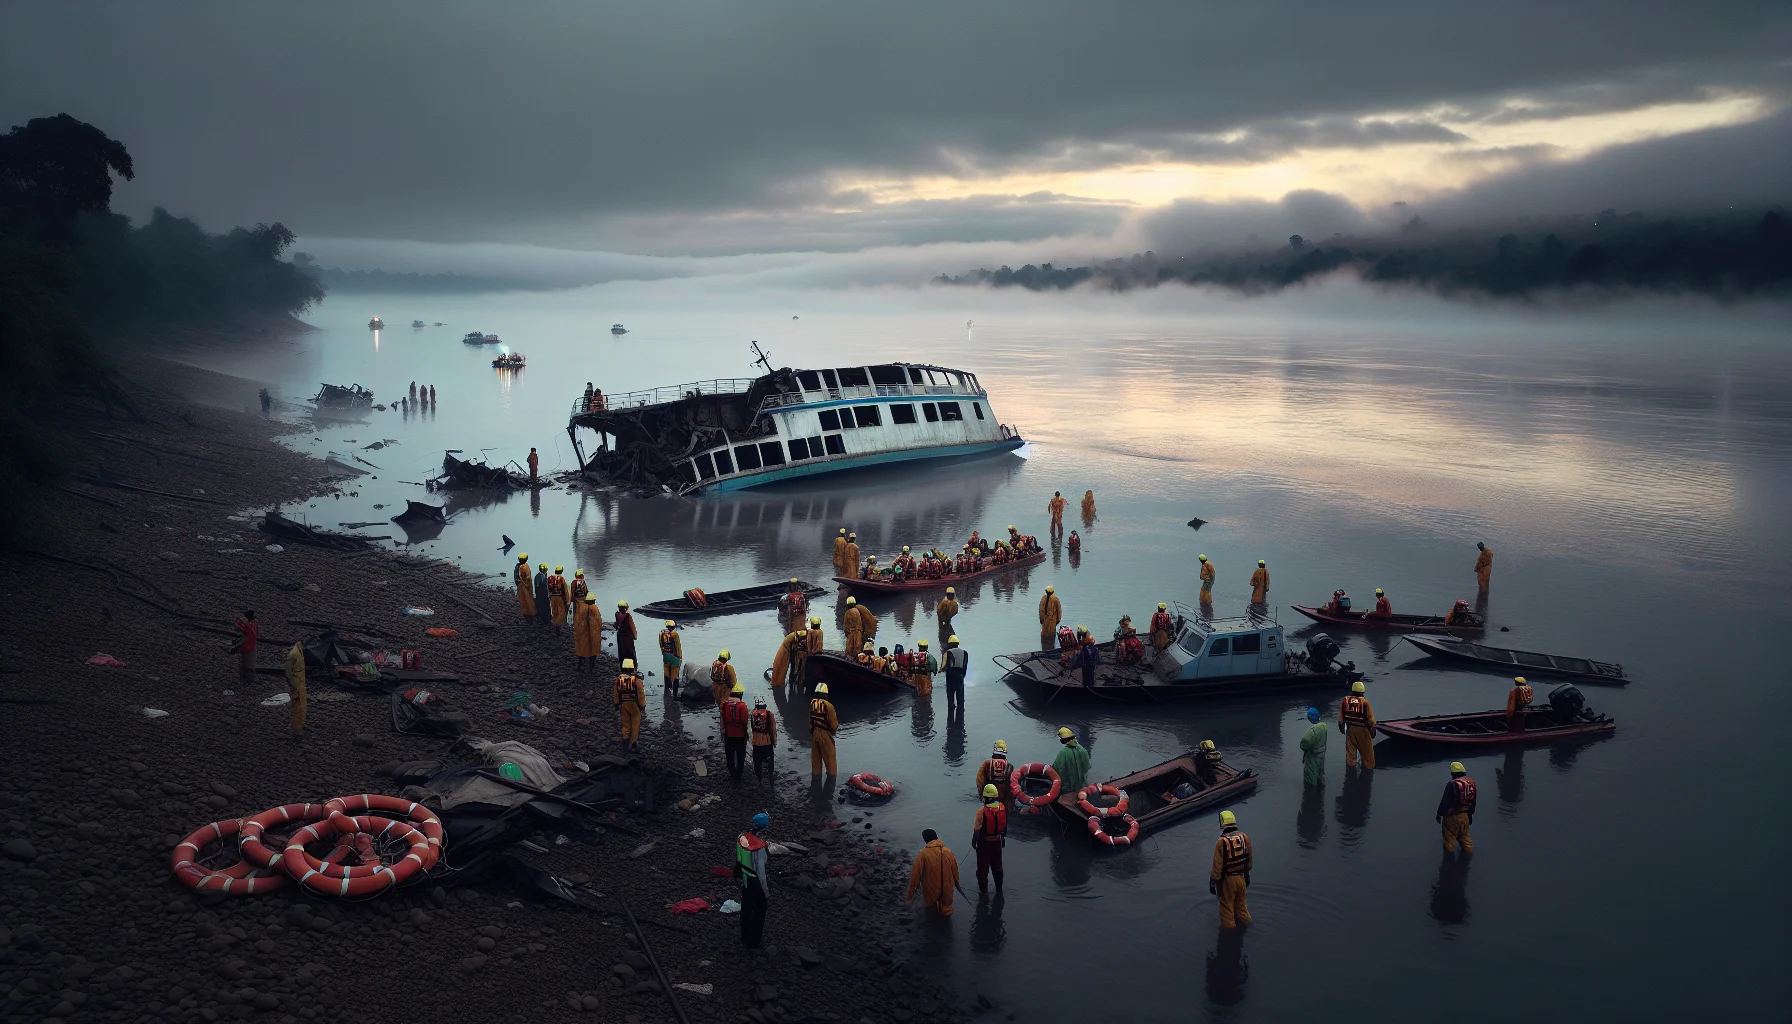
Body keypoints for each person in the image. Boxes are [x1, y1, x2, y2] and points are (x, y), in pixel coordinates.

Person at [1209, 810, 1252, 930]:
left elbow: (1217, 867)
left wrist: (1212, 883)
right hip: (1241, 877)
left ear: (1222, 823)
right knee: (1241, 906)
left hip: (1227, 880)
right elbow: (1249, 861)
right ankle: (1247, 926)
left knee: (1226, 908)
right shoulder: (1244, 837)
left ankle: (1230, 935)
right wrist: (1247, 877)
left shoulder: (1221, 842)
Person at [735, 812, 772, 947]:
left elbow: (738, 861)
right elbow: (761, 871)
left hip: (746, 879)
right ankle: (754, 942)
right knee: (759, 911)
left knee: (746, 908)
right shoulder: (760, 847)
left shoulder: (741, 838)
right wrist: (766, 891)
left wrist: (737, 874)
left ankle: (744, 936)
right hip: (757, 882)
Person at [906, 828, 960, 917]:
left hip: (931, 889)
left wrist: (910, 895)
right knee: (947, 911)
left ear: (925, 840)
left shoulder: (923, 854)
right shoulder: (948, 851)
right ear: (937, 837)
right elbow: (955, 870)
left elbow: (915, 876)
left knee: (930, 911)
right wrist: (957, 884)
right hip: (947, 889)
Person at [972, 784, 1007, 893]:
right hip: (997, 843)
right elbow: (1004, 827)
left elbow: (977, 831)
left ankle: (983, 894)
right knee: (998, 869)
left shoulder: (981, 811)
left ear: (985, 798)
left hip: (984, 845)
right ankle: (999, 889)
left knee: (982, 871)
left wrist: (974, 843)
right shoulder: (1002, 807)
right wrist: (1003, 839)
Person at [1438, 761, 1477, 855]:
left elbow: (1445, 801)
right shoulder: (1470, 783)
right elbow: (1473, 802)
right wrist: (1470, 815)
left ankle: (1449, 863)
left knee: (1448, 842)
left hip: (1452, 817)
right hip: (1465, 816)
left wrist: (1439, 814)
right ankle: (1468, 856)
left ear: (1453, 773)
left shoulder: (1452, 784)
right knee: (1465, 839)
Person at [1340, 681, 1377, 769]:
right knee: (1367, 754)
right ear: (1362, 691)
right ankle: (1367, 773)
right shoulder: (1365, 702)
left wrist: (1342, 729)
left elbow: (1341, 718)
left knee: (1350, 753)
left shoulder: (1346, 700)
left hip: (1350, 729)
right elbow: (1371, 720)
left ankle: (1350, 772)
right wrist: (1373, 731)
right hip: (1363, 730)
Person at [722, 683, 751, 781]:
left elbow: (723, 721)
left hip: (729, 735)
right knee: (740, 756)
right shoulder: (743, 706)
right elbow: (745, 721)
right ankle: (739, 775)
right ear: (740, 694)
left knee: (729, 756)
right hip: (740, 736)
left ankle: (732, 774)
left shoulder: (725, 705)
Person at [614, 659, 646, 749]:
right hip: (635, 704)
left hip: (624, 704)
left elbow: (616, 693)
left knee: (625, 723)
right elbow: (640, 693)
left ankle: (625, 740)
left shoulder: (619, 679)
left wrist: (616, 703)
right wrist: (642, 705)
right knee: (635, 723)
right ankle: (633, 742)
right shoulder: (636, 680)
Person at [809, 683, 838, 777]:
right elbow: (833, 723)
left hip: (815, 733)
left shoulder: (812, 703)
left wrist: (812, 731)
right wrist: (832, 732)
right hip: (825, 734)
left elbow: (810, 720)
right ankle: (831, 780)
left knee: (816, 759)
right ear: (825, 694)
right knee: (830, 760)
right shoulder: (828, 706)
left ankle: (816, 777)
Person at [1051, 726, 1091, 793]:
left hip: (1067, 788)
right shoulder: (1082, 749)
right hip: (1081, 784)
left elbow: (1057, 769)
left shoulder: (1063, 753)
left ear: (1062, 740)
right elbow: (1086, 767)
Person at [750, 697, 777, 782]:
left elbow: (752, 729)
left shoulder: (752, 714)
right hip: (767, 743)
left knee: (757, 763)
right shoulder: (769, 714)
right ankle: (771, 778)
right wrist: (774, 741)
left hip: (756, 743)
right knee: (770, 762)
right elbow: (773, 729)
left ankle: (759, 780)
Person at [1298, 707, 1327, 786]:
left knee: (1311, 775)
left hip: (1313, 755)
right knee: (1320, 773)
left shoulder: (1313, 730)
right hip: (1322, 754)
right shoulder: (1324, 727)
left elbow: (1304, 742)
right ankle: (1321, 789)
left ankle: (1311, 793)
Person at [284, 639, 307, 739]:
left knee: (302, 705)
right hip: (296, 683)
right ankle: (297, 729)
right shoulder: (293, 654)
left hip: (301, 682)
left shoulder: (300, 651)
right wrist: (293, 688)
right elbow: (288, 672)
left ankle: (300, 724)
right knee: (297, 707)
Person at [574, 594, 604, 670]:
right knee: (593, 648)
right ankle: (591, 667)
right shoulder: (594, 608)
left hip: (582, 633)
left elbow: (577, 620)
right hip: (593, 634)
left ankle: (580, 665)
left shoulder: (581, 607)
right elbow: (598, 621)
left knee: (582, 648)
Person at [942, 635, 970, 714]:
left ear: (949, 644)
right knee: (960, 695)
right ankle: (960, 715)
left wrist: (942, 670)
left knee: (950, 694)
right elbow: (965, 665)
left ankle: (951, 711)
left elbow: (948, 665)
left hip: (951, 676)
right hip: (960, 675)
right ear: (958, 643)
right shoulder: (965, 653)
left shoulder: (948, 652)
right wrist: (962, 676)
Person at [232, 610, 258, 685]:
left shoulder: (248, 626)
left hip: (247, 646)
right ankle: (247, 679)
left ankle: (245, 679)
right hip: (250, 644)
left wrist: (237, 648)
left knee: (246, 662)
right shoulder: (254, 623)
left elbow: (245, 641)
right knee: (249, 662)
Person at [657, 620, 682, 686]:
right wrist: (679, 657)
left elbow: (661, 644)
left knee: (667, 674)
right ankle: (674, 693)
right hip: (674, 657)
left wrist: (664, 653)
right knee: (675, 676)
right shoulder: (675, 634)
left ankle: (667, 690)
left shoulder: (662, 633)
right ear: (673, 627)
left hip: (666, 656)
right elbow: (678, 646)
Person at [1038, 585, 1062, 650]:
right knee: (1051, 638)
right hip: (1052, 622)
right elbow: (1059, 612)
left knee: (1044, 639)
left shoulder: (1043, 598)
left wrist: (1042, 620)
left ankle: (1045, 652)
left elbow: (1041, 611)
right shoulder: (1056, 599)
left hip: (1045, 623)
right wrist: (1056, 621)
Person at [614, 600, 637, 666]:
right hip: (628, 637)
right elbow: (632, 626)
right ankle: (632, 666)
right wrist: (635, 636)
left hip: (621, 635)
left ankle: (623, 666)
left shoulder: (617, 614)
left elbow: (616, 625)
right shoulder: (627, 616)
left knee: (621, 652)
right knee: (630, 652)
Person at [513, 552, 535, 619]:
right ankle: (530, 612)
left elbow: (516, 577)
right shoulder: (525, 567)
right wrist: (528, 585)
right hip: (525, 585)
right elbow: (528, 578)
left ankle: (525, 611)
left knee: (522, 598)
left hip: (520, 585)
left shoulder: (517, 566)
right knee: (528, 598)